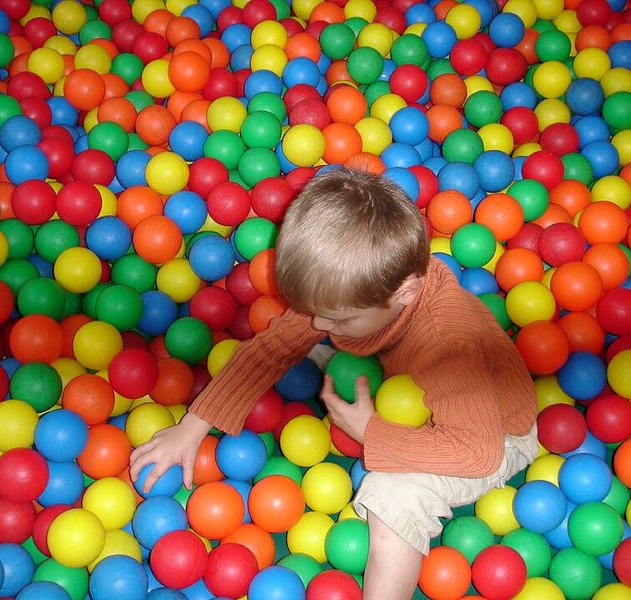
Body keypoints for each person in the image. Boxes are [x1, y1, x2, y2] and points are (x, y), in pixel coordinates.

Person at [130, 168, 538, 599]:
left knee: (391, 492)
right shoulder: (355, 288)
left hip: (495, 434)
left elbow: (477, 451)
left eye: (339, 319)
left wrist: (373, 434)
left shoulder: (448, 341)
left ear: (406, 293)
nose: (321, 324)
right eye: (314, 311)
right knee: (317, 351)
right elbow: (272, 348)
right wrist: (192, 427)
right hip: (410, 390)